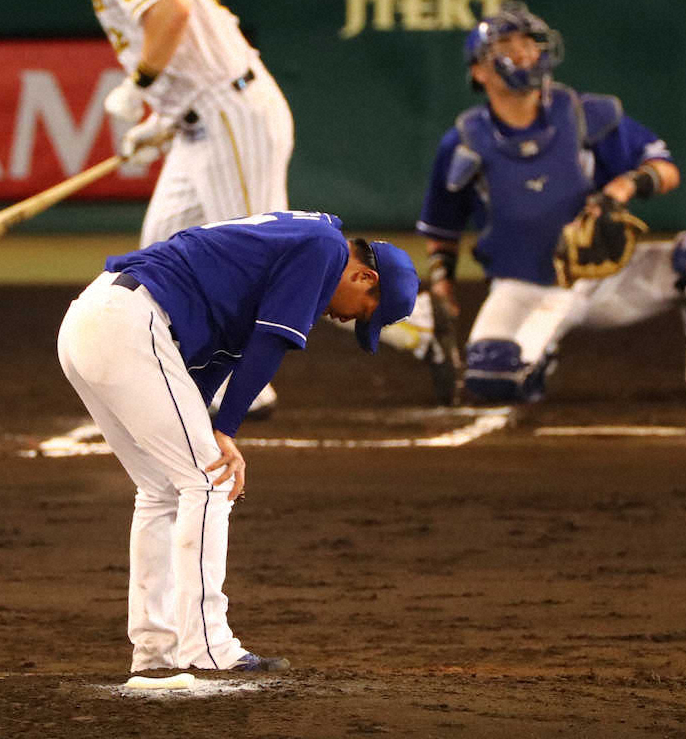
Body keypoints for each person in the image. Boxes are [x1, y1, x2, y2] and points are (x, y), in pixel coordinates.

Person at [56, 210, 419, 673]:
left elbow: (222, 357)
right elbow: (270, 343)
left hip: (94, 318)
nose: (345, 318)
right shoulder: (324, 248)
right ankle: (209, 649)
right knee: (209, 481)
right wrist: (225, 430)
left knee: (163, 489)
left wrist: (212, 429)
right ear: (364, 276)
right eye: (364, 312)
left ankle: (155, 652)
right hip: (129, 324)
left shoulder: (296, 241)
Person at [31, 0, 295, 418]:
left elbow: (171, 13)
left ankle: (399, 319)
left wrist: (140, 84)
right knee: (161, 255)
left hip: (231, 112)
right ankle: (186, 374)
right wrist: (163, 117)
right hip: (203, 118)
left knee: (258, 258)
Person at [412, 0, 686, 405]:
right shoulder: (464, 142)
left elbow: (665, 168)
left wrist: (625, 186)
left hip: (603, 279)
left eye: (529, 44)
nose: (524, 54)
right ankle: (534, 358)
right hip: (523, 286)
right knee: (492, 380)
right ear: (479, 71)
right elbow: (442, 228)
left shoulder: (583, 115)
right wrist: (442, 285)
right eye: (508, 47)